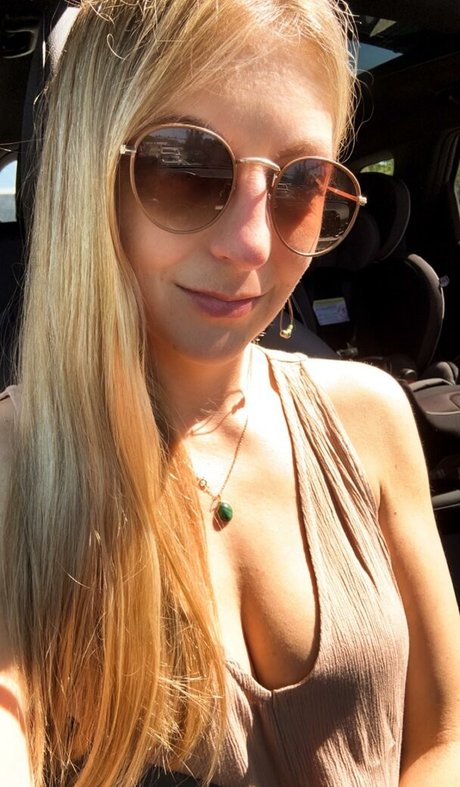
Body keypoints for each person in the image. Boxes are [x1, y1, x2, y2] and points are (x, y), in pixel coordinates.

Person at [0, 0, 459, 784]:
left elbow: (442, 734)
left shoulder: (372, 415)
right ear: (88, 174)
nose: (251, 243)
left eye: (302, 184)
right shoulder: (18, 463)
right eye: (184, 167)